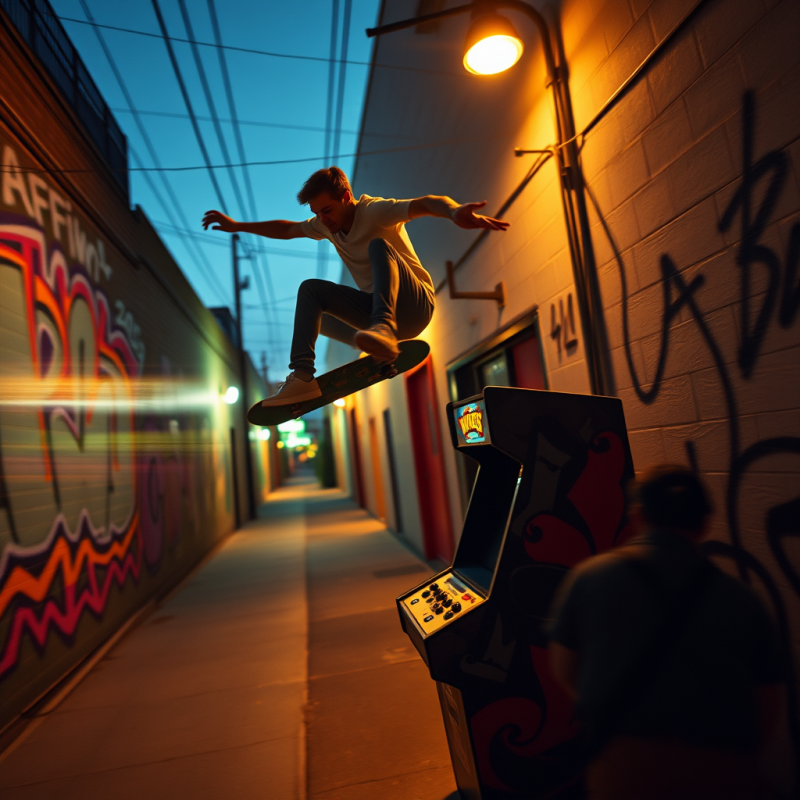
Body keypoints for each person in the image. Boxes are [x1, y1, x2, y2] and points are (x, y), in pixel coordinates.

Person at [548, 465, 784, 800]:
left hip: (624, 765)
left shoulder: (589, 578)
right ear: (704, 523)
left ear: (638, 515)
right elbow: (767, 701)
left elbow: (565, 669)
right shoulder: (742, 598)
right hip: (722, 766)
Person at [202, 167, 508, 406]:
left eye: (328, 210)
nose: (323, 220)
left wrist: (454, 211)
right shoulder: (325, 224)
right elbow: (288, 229)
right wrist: (238, 226)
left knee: (379, 246)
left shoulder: (374, 210)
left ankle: (383, 332)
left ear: (346, 197)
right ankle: (304, 376)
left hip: (415, 305)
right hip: (376, 310)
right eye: (317, 214)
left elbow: (425, 204)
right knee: (311, 293)